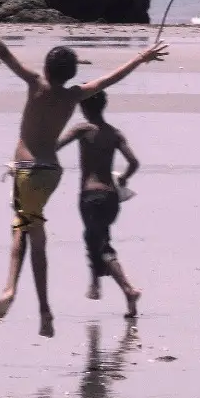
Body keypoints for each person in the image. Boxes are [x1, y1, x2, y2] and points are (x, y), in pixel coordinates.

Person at [0, 0, 167, 337]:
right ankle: (44, 315)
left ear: (46, 68)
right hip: (52, 173)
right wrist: (140, 57)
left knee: (20, 232)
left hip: (26, 170)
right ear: (71, 73)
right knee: (34, 233)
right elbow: (109, 79)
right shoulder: (73, 96)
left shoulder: (35, 84)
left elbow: (3, 52)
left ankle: (13, 291)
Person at [58, 91, 143, 317]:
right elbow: (134, 162)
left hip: (90, 196)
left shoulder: (83, 129)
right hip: (112, 199)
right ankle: (96, 284)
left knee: (101, 245)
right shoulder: (115, 134)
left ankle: (127, 289)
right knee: (94, 238)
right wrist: (124, 178)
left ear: (83, 108)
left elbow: (55, 146)